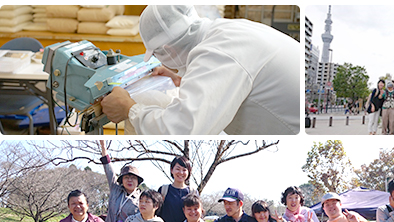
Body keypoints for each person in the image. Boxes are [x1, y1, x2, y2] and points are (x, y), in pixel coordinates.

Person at [100, 5, 298, 134]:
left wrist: (129, 109)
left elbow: (183, 129)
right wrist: (181, 78)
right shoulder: (225, 32)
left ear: (166, 50)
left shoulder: (218, 53)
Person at [100, 143, 141, 222]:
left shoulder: (142, 199)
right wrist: (103, 148)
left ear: (138, 181)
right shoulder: (116, 190)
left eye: (133, 178)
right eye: (126, 177)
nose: (129, 180)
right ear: (122, 180)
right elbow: (109, 169)